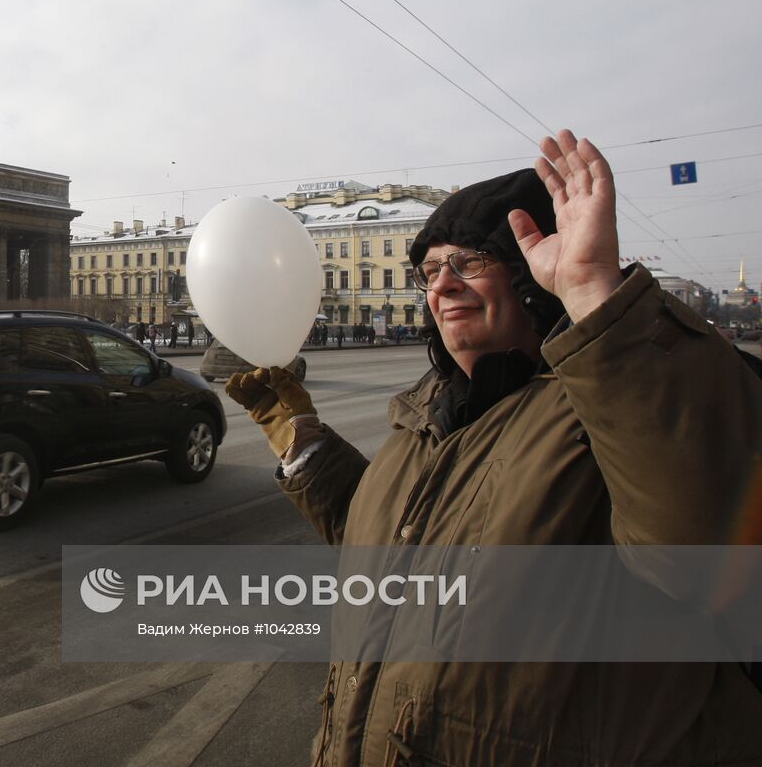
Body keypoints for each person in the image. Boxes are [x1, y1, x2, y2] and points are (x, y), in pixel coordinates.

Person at [226, 130, 762, 766]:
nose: (443, 285)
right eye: (430, 270)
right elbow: (404, 556)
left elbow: (700, 553)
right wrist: (304, 444)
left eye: (472, 262)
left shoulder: (627, 400)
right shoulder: (426, 413)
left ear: (539, 277)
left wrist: (592, 291)